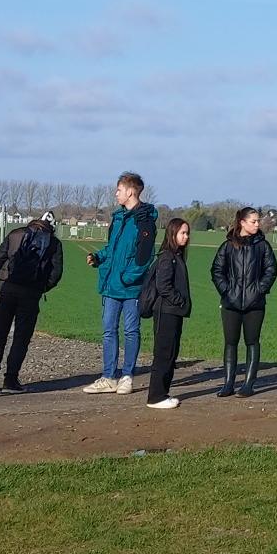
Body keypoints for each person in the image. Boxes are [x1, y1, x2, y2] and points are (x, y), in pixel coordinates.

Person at [86, 173, 158, 394]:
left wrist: (128, 277)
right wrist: (98, 257)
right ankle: (108, 376)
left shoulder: (145, 220)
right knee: (108, 330)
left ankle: (127, 376)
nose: (116, 193)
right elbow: (113, 248)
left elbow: (145, 255)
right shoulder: (117, 218)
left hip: (131, 287)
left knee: (131, 331)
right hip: (111, 286)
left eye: (118, 190)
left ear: (130, 191)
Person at [0, 210, 65, 393]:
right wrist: (41, 287)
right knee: (21, 337)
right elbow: (55, 274)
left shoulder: (16, 234)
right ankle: (10, 381)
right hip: (31, 294)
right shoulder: (53, 243)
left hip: (7, 289)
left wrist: (3, 279)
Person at [211, 207, 277, 397]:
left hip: (255, 304)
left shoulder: (263, 246)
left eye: (258, 221)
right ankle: (228, 384)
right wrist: (226, 291)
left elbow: (271, 271)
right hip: (230, 303)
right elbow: (217, 271)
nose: (257, 224)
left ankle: (248, 384)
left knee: (252, 342)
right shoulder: (228, 246)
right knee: (230, 342)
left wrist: (258, 290)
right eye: (253, 221)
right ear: (242, 222)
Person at [141, 217, 194, 410]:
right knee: (164, 354)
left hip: (172, 311)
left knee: (170, 354)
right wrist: (180, 301)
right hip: (166, 312)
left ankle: (162, 393)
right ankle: (156, 397)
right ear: (172, 234)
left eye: (187, 233)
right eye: (182, 233)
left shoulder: (175, 256)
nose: (186, 237)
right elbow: (164, 286)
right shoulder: (167, 258)